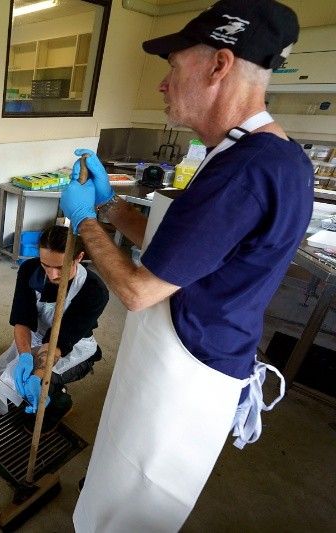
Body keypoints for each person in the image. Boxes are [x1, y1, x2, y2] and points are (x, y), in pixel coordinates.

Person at [59, 1, 312, 530]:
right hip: (202, 352)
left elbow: (138, 290)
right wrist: (112, 206)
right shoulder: (261, 154)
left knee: (137, 502)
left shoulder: (245, 171)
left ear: (219, 66)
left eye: (174, 68)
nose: (163, 85)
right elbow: (191, 247)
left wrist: (83, 221)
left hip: (184, 372)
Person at [0, 225, 109, 433]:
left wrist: (39, 375)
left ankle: (60, 401)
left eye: (60, 267)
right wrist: (24, 357)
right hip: (36, 336)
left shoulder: (94, 291)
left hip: (71, 347)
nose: (52, 274)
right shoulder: (29, 270)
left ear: (79, 257)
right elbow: (23, 319)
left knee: (43, 384)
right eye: (45, 264)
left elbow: (60, 341)